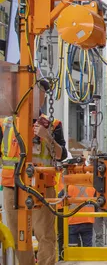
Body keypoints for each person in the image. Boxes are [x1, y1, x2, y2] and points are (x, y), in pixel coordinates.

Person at [0, 78, 67, 265]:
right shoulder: (6, 124)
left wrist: (47, 138)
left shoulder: (53, 124)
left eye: (43, 93)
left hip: (42, 187)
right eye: (37, 91)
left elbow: (62, 155)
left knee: (45, 235)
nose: (40, 96)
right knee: (17, 236)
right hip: (12, 187)